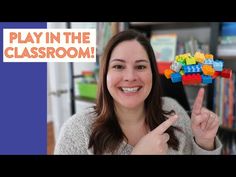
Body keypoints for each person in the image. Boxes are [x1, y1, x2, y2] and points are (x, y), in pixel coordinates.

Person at [54, 29, 222, 155]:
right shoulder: (76, 132)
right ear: (105, 75)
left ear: (152, 74)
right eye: (118, 66)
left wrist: (204, 143)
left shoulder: (174, 112)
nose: (130, 77)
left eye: (141, 66)